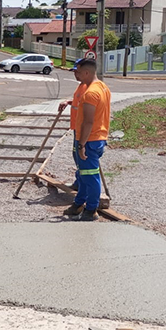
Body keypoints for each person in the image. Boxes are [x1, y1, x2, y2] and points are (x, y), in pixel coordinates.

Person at [62, 58, 112, 221]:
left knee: (90, 177)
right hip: (97, 138)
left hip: (90, 140)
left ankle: (91, 210)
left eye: (78, 72)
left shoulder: (91, 93)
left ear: (86, 72)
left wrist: (82, 144)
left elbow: (88, 121)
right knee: (83, 174)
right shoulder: (103, 88)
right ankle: (78, 204)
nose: (76, 74)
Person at [58, 59, 87, 192]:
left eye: (78, 72)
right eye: (74, 72)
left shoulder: (87, 87)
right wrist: (69, 102)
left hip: (82, 129)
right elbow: (78, 102)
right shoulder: (81, 85)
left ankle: (83, 185)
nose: (75, 74)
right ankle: (79, 181)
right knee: (76, 155)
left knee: (80, 156)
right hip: (76, 127)